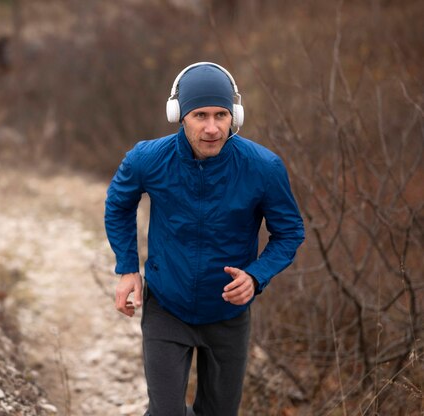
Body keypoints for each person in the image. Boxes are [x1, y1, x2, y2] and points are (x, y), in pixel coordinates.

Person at [104, 62, 305, 416]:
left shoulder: (263, 167)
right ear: (179, 114)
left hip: (228, 312)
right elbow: (118, 204)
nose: (212, 128)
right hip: (167, 305)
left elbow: (289, 232)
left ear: (235, 117)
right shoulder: (147, 159)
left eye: (221, 115)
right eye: (200, 115)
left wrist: (257, 275)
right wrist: (127, 267)